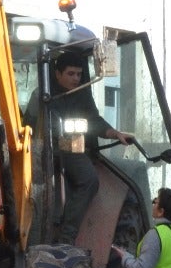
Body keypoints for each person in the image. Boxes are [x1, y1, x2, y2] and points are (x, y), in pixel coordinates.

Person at [44, 49, 133, 244]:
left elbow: (93, 119)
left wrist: (115, 133)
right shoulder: (43, 94)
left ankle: (66, 236)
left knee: (89, 179)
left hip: (70, 148)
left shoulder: (82, 94)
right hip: (43, 149)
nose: (76, 79)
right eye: (70, 74)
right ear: (57, 73)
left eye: (78, 74)